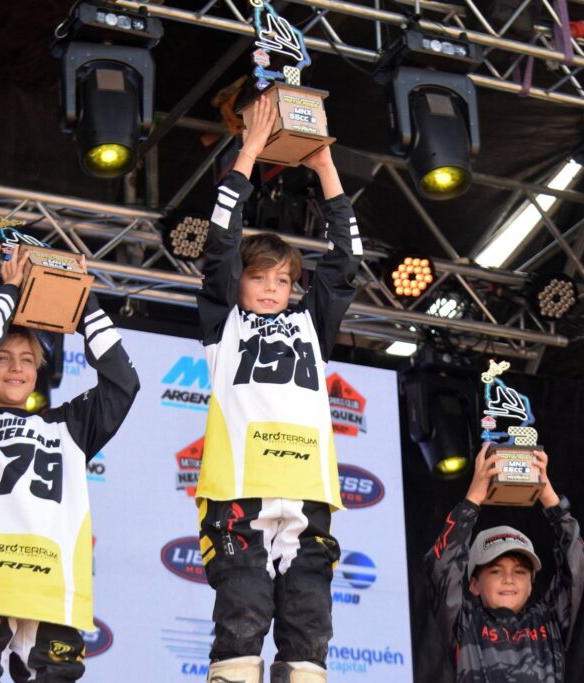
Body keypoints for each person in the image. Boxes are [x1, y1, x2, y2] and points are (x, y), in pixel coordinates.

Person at [195, 94, 363, 683]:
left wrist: (323, 168)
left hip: (309, 500)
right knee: (241, 624)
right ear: (239, 285)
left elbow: (345, 263)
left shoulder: (311, 327)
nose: (271, 288)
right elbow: (218, 244)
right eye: (258, 277)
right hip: (239, 496)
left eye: (283, 279)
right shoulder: (224, 325)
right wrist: (247, 153)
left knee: (309, 638)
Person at [0, 247, 140, 682]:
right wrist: (8, 290)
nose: (16, 369)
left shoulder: (70, 426)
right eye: (3, 358)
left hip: (53, 591)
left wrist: (85, 304)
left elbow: (123, 381)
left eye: (27, 360)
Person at [425, 446, 584, 682]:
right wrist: (473, 499)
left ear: (531, 585)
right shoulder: (463, 623)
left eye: (520, 571)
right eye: (495, 570)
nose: (509, 579)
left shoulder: (549, 620)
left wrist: (550, 499)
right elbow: (441, 566)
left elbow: (575, 567)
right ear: (474, 584)